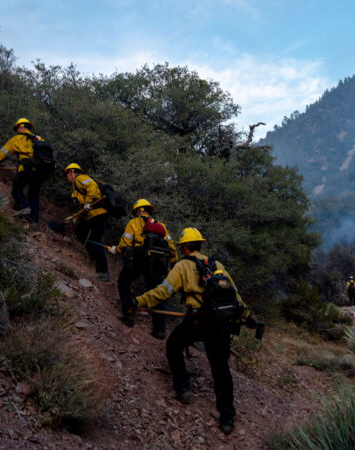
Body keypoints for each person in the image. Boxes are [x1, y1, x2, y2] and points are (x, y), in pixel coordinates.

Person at [133, 227, 255, 435]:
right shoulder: (217, 265)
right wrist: (247, 316)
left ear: (185, 247)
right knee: (221, 369)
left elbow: (164, 291)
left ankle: (183, 388)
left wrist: (138, 301)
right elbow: (234, 295)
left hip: (198, 320)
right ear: (200, 244)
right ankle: (227, 418)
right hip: (221, 323)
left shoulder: (183, 266)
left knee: (173, 345)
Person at [109, 199, 177, 337]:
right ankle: (159, 329)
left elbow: (126, 242)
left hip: (139, 260)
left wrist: (116, 249)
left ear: (139, 210)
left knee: (123, 282)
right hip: (157, 263)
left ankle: (129, 314)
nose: (135, 214)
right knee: (157, 293)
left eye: (135, 211)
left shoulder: (133, 223)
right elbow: (171, 247)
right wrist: (174, 263)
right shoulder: (161, 226)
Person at [0, 118, 44, 223]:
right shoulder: (39, 139)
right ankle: (34, 220)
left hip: (25, 170)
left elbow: (2, 155)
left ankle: (25, 207)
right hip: (40, 172)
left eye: (17, 128)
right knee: (33, 195)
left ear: (21, 127)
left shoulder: (17, 139)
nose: (17, 131)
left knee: (16, 191)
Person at [64, 163, 110, 281]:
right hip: (91, 215)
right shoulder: (76, 186)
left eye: (67, 174)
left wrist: (88, 202)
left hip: (98, 213)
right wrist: (74, 217)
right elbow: (83, 208)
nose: (67, 177)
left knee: (95, 240)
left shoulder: (80, 178)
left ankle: (103, 272)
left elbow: (92, 187)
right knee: (80, 230)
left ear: (72, 172)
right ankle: (93, 255)